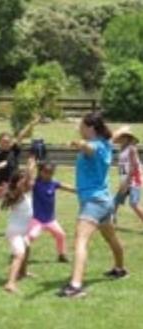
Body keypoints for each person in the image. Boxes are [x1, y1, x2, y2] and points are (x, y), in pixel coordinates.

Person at [59, 112, 127, 298]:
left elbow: (88, 148)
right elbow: (112, 136)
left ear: (90, 128)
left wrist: (78, 144)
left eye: (81, 126)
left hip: (93, 202)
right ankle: (120, 269)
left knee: (80, 241)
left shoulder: (95, 146)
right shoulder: (106, 143)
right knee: (111, 238)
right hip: (105, 202)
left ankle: (75, 286)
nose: (79, 129)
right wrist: (122, 130)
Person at [27, 161, 75, 263]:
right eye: (46, 172)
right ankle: (19, 253)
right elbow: (28, 181)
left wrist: (78, 190)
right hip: (37, 219)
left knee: (61, 235)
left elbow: (65, 187)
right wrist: (31, 167)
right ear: (40, 172)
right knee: (31, 236)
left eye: (51, 173)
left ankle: (62, 255)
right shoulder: (36, 183)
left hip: (50, 220)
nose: (48, 175)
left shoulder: (53, 183)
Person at [2, 157, 36, 293]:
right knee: (19, 254)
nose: (27, 183)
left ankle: (23, 272)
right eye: (22, 180)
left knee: (27, 250)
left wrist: (31, 169)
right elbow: (21, 187)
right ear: (16, 183)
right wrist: (29, 170)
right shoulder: (16, 195)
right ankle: (10, 283)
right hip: (15, 233)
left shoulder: (27, 194)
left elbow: (30, 181)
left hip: (24, 232)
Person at [113, 128, 143, 224]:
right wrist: (123, 181)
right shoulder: (122, 149)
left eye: (123, 137)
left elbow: (134, 166)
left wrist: (127, 181)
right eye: (120, 137)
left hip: (134, 180)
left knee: (134, 204)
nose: (120, 139)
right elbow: (123, 167)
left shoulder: (131, 149)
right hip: (125, 180)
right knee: (115, 201)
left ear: (127, 138)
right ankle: (110, 221)